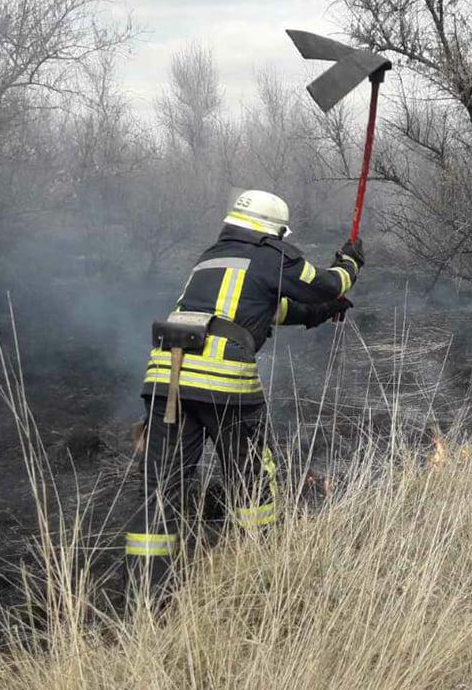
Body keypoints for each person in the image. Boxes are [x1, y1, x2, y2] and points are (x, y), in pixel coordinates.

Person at [124, 189, 363, 601]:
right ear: (274, 231)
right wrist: (351, 263)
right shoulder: (272, 255)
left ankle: (146, 596)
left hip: (167, 380)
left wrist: (321, 314)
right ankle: (261, 575)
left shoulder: (211, 258)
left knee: (162, 486)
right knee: (251, 478)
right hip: (223, 381)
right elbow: (324, 285)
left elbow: (266, 309)